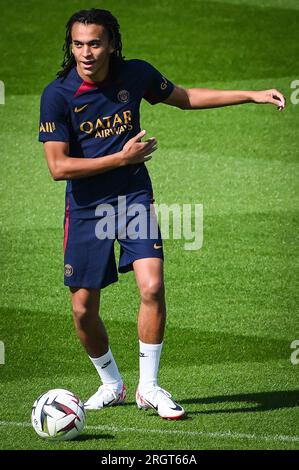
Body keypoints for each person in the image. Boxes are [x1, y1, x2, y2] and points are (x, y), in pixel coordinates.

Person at [39, 8, 285, 420]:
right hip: (85, 208)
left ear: (112, 44)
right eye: (78, 44)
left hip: (133, 195)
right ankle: (111, 384)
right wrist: (121, 157)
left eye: (95, 43)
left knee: (151, 287)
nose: (86, 52)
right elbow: (58, 168)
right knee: (83, 310)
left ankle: (148, 387)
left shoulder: (134, 74)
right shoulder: (58, 94)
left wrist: (252, 94)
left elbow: (185, 98)